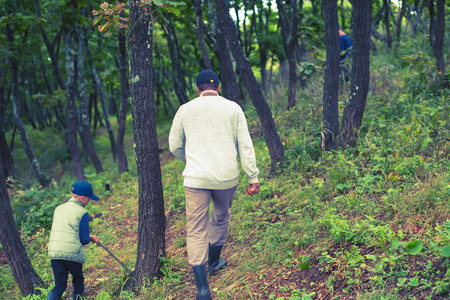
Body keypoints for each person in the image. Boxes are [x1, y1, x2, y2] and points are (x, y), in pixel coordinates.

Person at [169, 70, 260, 300]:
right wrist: (253, 176)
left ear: (198, 89)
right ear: (218, 88)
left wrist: (190, 159)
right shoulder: (233, 108)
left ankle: (202, 288)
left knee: (196, 228)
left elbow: (173, 145)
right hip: (226, 177)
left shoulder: (185, 110)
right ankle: (214, 261)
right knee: (221, 216)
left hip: (196, 179)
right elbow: (245, 145)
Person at [47, 181, 100, 300]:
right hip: (71, 253)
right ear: (82, 198)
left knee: (59, 285)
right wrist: (90, 238)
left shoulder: (59, 209)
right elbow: (83, 239)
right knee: (78, 280)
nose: (89, 201)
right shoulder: (82, 212)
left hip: (54, 252)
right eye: (89, 198)